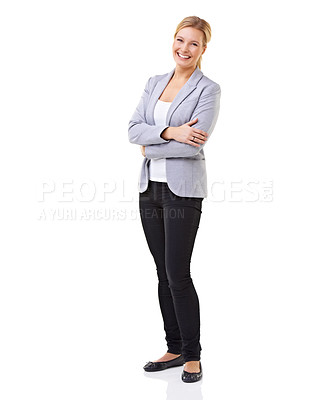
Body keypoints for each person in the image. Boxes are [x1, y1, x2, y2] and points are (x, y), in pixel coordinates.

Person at [128, 16, 221, 383]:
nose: (184, 49)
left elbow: (196, 141)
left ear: (203, 49)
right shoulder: (154, 83)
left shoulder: (208, 89)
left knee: (178, 273)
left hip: (183, 191)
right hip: (149, 189)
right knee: (161, 274)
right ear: (173, 41)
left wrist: (150, 146)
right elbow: (132, 128)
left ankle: (193, 354)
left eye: (194, 43)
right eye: (180, 40)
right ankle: (174, 346)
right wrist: (170, 131)